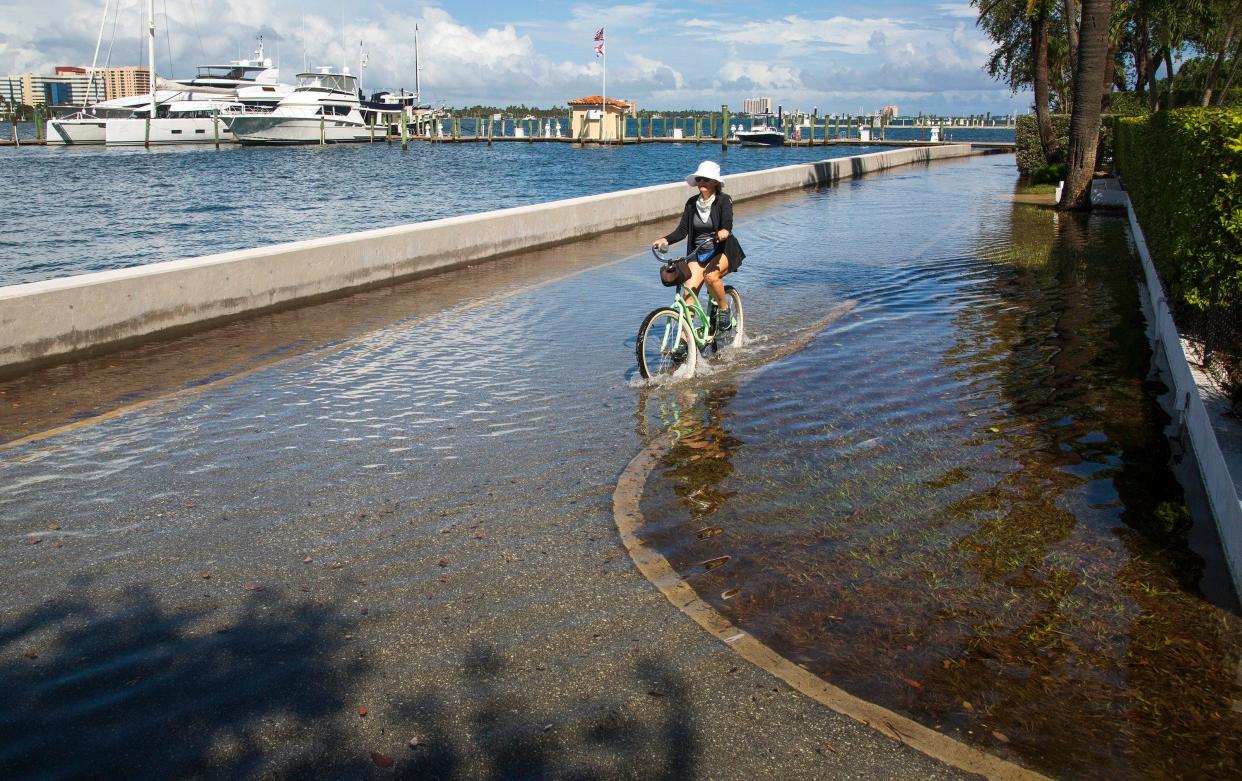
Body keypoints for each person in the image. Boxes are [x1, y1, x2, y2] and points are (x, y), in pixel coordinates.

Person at [652, 160, 745, 334]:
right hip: (698, 253)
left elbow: (727, 223)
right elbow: (682, 231)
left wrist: (724, 231)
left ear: (715, 182)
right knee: (688, 294)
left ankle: (724, 309)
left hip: (721, 250)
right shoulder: (691, 203)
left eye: (706, 179)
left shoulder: (724, 200)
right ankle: (685, 342)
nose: (702, 182)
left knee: (710, 276)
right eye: (700, 179)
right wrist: (664, 239)